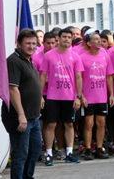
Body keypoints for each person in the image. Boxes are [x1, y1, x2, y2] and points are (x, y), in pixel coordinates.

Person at [39, 27, 83, 166]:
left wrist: (78, 97)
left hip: (69, 97)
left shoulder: (75, 56)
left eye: (69, 37)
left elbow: (78, 77)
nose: (67, 40)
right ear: (59, 39)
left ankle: (69, 152)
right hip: (52, 96)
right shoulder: (49, 56)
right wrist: (40, 96)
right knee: (51, 124)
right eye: (64, 37)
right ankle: (49, 153)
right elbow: (43, 76)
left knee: (69, 124)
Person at [3, 29, 43, 179]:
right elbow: (13, 89)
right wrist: (21, 115)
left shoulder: (28, 59)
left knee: (35, 150)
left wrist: (40, 98)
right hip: (20, 118)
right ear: (19, 44)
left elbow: (30, 84)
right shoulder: (14, 61)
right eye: (28, 43)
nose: (32, 46)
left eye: (34, 43)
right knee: (21, 154)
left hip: (33, 117)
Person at [78, 30, 114, 160]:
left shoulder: (105, 55)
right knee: (88, 123)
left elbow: (109, 76)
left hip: (102, 96)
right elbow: (79, 78)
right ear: (88, 43)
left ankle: (99, 148)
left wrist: (111, 94)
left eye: (99, 39)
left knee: (101, 123)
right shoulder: (82, 57)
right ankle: (88, 149)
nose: (98, 41)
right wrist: (81, 95)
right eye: (95, 39)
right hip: (88, 97)